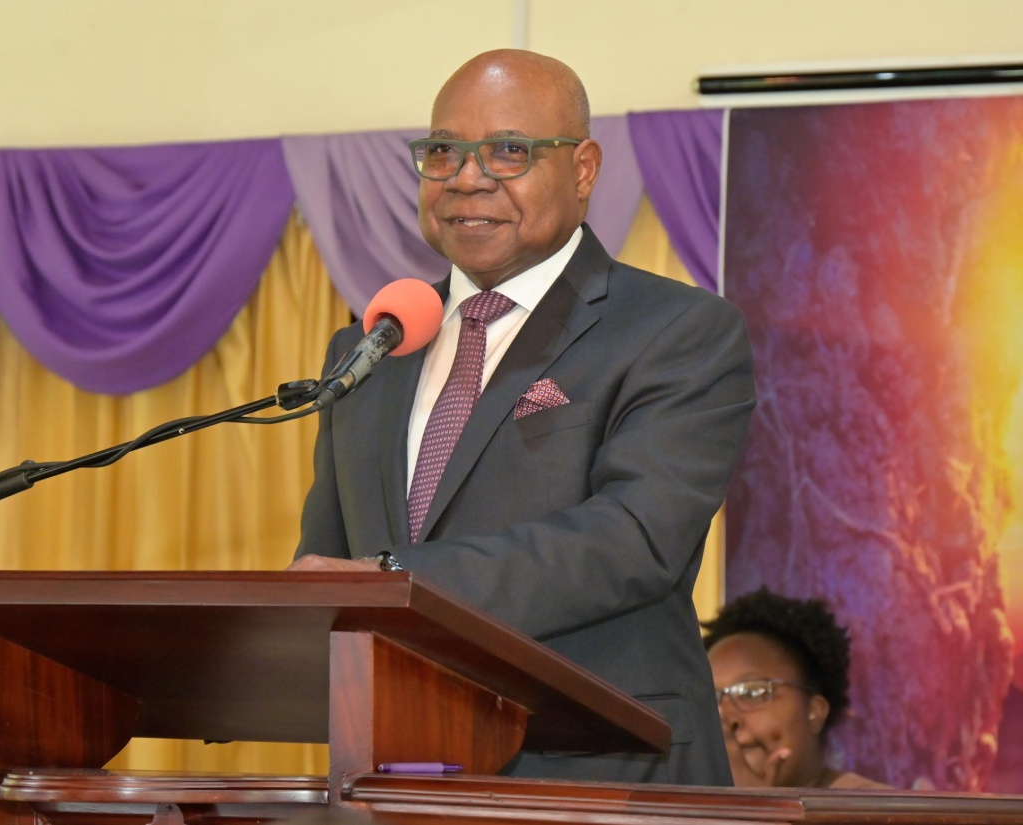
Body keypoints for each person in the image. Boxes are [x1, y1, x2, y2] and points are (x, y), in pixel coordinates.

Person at [290, 48, 756, 786]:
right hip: (393, 769)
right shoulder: (372, 344)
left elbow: (632, 540)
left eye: (509, 151)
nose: (467, 177)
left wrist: (392, 578)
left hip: (601, 766)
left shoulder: (676, 330)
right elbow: (328, 558)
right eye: (443, 151)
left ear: (583, 169)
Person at [703, 587, 892, 789]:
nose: (725, 717)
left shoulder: (874, 811)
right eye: (710, 699)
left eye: (751, 693)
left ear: (815, 711)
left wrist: (753, 811)